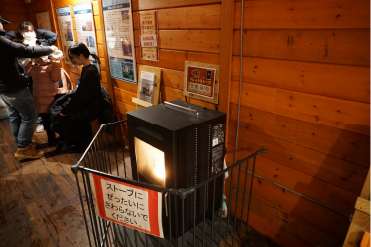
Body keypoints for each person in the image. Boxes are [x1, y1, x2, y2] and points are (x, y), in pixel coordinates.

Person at [0, 16, 55, 160]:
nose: (2, 27)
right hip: (15, 87)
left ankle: (22, 143)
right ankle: (23, 149)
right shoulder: (1, 42)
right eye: (1, 24)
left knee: (15, 116)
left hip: (5, 89)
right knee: (30, 116)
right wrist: (50, 49)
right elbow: (24, 50)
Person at [54, 42, 102, 153]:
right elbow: (82, 94)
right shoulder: (87, 68)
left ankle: (77, 145)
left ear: (81, 56)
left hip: (91, 108)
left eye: (73, 57)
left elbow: (82, 97)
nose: (72, 60)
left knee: (62, 116)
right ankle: (73, 142)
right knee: (61, 108)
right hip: (88, 104)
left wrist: (66, 110)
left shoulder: (90, 71)